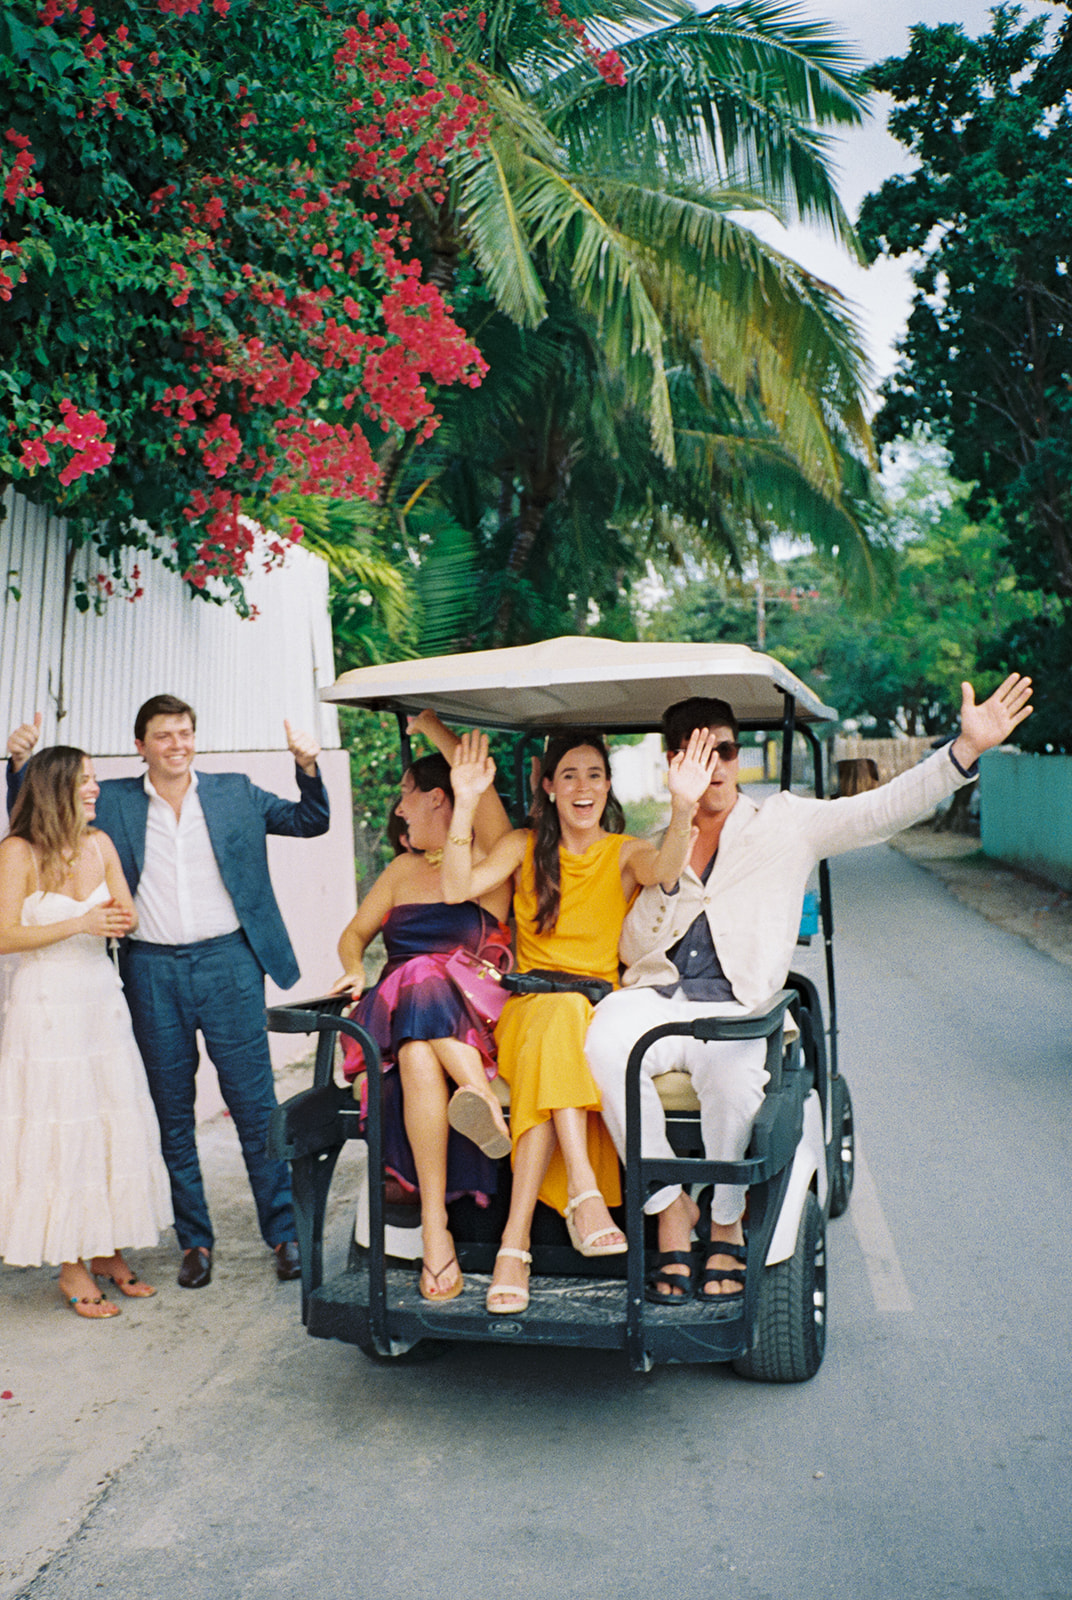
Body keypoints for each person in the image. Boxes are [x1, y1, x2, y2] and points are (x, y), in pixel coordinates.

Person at [583, 674, 1034, 1304]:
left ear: (738, 757)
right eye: (694, 753)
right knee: (601, 1039)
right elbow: (635, 950)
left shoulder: (784, 822)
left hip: (742, 1008)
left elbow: (879, 811)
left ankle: (724, 1217)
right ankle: (668, 1210)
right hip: (661, 1000)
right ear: (672, 764)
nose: (712, 768)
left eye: (725, 751)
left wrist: (963, 752)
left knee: (735, 1080)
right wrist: (677, 833)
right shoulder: (659, 841)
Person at [6, 696, 330, 1289]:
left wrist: (307, 766)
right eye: (163, 735)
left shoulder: (236, 791)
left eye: (185, 733)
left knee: (256, 1108)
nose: (177, 744)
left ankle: (284, 1235)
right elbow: (43, 826)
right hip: (151, 970)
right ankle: (195, 1243)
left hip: (230, 963)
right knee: (171, 1113)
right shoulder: (118, 800)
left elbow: (311, 823)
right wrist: (18, 769)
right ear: (141, 745)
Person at [442, 726, 720, 1314]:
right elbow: (457, 887)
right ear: (548, 787)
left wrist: (682, 806)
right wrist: (464, 802)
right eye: (568, 774)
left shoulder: (622, 852)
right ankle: (584, 1195)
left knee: (564, 1025)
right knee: (554, 1016)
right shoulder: (522, 845)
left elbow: (668, 871)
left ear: (609, 785)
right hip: (526, 1009)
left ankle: (512, 1248)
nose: (583, 786)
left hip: (594, 1013)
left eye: (594, 774)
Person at [331, 711, 513, 1304]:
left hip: (474, 1008)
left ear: (441, 797)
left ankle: (436, 1233)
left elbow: (480, 796)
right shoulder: (401, 870)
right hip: (400, 1015)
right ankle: (476, 1102)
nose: (399, 808)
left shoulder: (488, 857)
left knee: (418, 1008)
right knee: (412, 1006)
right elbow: (354, 934)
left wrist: (433, 726)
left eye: (407, 795)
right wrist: (354, 967)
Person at [0, 747, 171, 1318]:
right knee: (59, 1126)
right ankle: (69, 1261)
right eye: (85, 780)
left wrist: (121, 918)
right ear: (54, 788)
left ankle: (105, 1249)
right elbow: (3, 936)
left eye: (95, 779)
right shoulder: (17, 851)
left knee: (109, 1119)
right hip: (47, 1005)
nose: (95, 788)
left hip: (100, 999)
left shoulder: (100, 844)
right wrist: (79, 921)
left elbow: (126, 912)